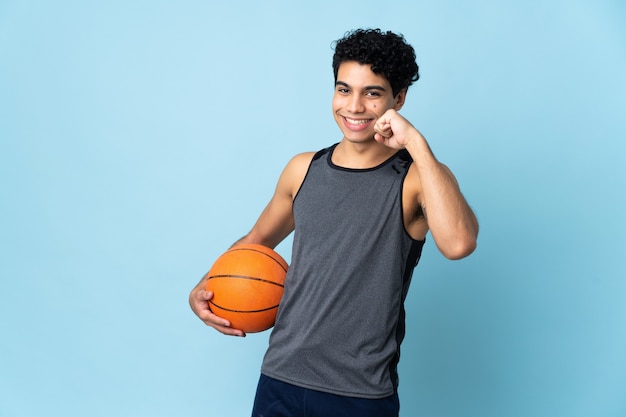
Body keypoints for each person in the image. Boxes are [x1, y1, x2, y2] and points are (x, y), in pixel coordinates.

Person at [189, 28, 479, 417]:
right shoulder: (302, 169)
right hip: (280, 376)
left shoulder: (417, 180)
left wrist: (417, 145)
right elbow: (254, 242)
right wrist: (206, 286)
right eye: (344, 90)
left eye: (372, 93)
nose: (354, 106)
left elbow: (459, 243)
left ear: (399, 99)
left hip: (359, 391)